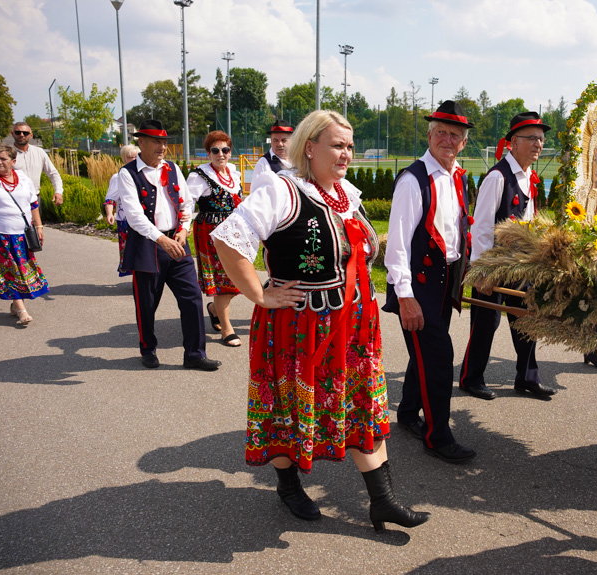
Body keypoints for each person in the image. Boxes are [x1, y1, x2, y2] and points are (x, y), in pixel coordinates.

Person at [212, 110, 428, 532]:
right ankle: (288, 486)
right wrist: (260, 293)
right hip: (298, 327)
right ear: (309, 147)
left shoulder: (348, 192)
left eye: (349, 145)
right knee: (287, 408)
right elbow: (227, 238)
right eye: (336, 144)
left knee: (363, 405)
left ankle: (383, 501)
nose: (346, 153)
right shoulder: (282, 190)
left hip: (355, 328)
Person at [383, 101, 476, 463]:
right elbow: (397, 246)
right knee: (439, 358)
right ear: (429, 134)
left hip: (444, 281)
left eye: (455, 135)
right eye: (441, 132)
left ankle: (407, 414)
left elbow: (456, 232)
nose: (448, 140)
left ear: (464, 143)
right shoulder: (413, 179)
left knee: (423, 354)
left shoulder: (456, 176)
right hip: (419, 286)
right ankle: (438, 436)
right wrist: (405, 297)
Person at [459, 112, 556, 401]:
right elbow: (482, 227)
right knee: (486, 323)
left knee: (527, 319)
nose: (538, 144)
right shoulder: (497, 177)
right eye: (532, 138)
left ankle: (527, 378)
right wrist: (482, 271)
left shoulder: (529, 178)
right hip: (494, 265)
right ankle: (471, 377)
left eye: (541, 139)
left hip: (520, 266)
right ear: (513, 142)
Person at [116, 120, 220, 371]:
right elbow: (134, 216)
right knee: (147, 302)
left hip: (176, 240)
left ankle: (194, 354)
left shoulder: (172, 168)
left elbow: (186, 204)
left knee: (193, 297)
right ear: (141, 142)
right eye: (156, 142)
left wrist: (184, 229)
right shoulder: (127, 173)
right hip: (148, 244)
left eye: (164, 141)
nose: (163, 146)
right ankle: (148, 349)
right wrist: (161, 239)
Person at [186, 131, 242, 347]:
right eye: (215, 150)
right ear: (208, 153)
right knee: (222, 281)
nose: (221, 154)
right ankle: (227, 329)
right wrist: (184, 225)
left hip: (233, 231)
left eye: (225, 150)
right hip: (210, 233)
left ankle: (213, 309)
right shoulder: (199, 176)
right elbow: (187, 203)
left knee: (237, 277)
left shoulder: (233, 173)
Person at [0, 143, 48, 325]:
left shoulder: (22, 178)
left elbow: (33, 204)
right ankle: (21, 309)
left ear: (13, 161)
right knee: (11, 271)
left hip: (22, 234)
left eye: (3, 159)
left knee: (22, 270)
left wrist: (39, 227)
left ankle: (16, 305)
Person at [104, 144, 140, 277]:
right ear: (124, 159)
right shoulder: (118, 177)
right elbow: (110, 199)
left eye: (138, 156)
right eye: (132, 157)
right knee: (129, 250)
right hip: (125, 220)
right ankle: (136, 276)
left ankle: (143, 275)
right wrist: (109, 214)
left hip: (143, 218)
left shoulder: (144, 174)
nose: (136, 159)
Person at [10, 122, 64, 206]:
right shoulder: (6, 154)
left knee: (37, 220)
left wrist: (58, 192)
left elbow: (53, 174)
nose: (21, 135)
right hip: (13, 200)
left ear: (31, 135)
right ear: (12, 134)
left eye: (25, 133)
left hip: (35, 199)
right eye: (18, 132)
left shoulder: (39, 152)